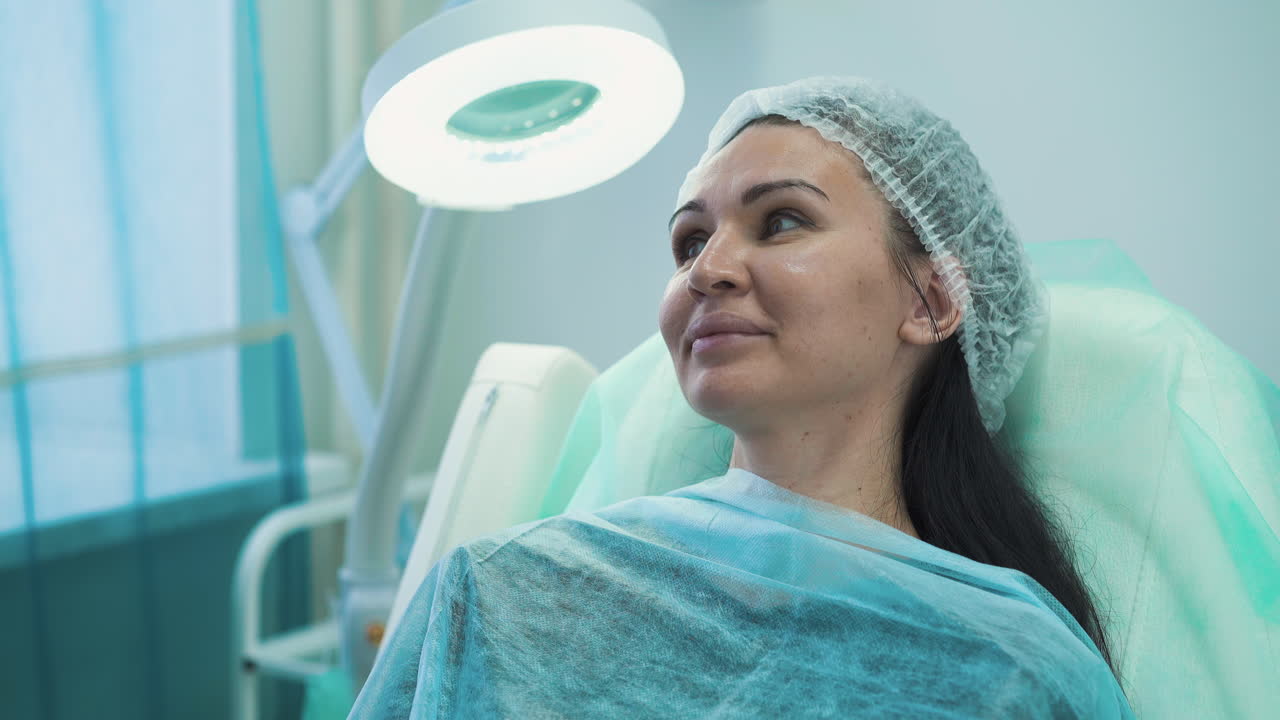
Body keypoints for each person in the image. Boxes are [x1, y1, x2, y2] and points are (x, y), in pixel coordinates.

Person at [348, 77, 1135, 718]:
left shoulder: (1011, 673)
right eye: (690, 240)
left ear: (931, 301)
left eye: (782, 221)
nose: (707, 270)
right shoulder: (504, 598)